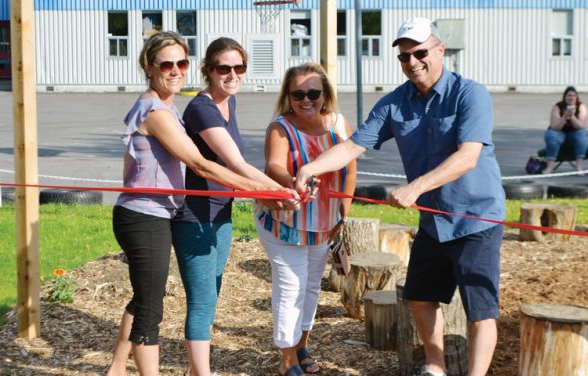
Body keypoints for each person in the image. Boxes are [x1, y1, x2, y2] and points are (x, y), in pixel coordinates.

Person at [294, 18, 505, 376]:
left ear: (440, 50)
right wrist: (310, 169)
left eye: (420, 52)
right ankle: (435, 366)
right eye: (404, 56)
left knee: (479, 311)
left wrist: (416, 187)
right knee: (421, 297)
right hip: (434, 220)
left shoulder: (470, 93)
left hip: (476, 218)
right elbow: (352, 146)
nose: (412, 62)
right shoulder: (395, 103)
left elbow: (468, 156)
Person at [106, 32, 290, 376]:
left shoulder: (167, 106)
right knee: (151, 307)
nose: (176, 70)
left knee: (146, 295)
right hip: (144, 215)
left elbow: (133, 163)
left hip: (157, 212)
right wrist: (265, 191)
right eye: (167, 64)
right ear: (148, 67)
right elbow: (201, 165)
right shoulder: (157, 111)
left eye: (181, 63)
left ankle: (116, 368)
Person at [170, 37, 299, 376]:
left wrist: (281, 189)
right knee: (202, 302)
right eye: (223, 68)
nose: (232, 74)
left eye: (238, 67)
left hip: (220, 213)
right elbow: (236, 164)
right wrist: (278, 191)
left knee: (212, 288)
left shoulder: (229, 103)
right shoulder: (201, 108)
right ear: (208, 71)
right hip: (193, 218)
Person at [254, 62, 357, 376]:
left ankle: (301, 344)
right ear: (288, 95)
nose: (306, 99)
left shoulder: (339, 124)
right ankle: (287, 359)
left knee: (311, 285)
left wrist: (344, 212)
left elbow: (350, 168)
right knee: (291, 287)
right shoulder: (280, 127)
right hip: (285, 221)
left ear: (325, 94)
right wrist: (292, 180)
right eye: (297, 93)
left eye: (313, 92)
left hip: (324, 221)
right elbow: (274, 166)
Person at [542, 86, 588, 174]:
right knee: (551, 134)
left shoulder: (581, 106)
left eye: (574, 96)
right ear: (564, 97)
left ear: (577, 97)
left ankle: (579, 167)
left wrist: (572, 116)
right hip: (559, 134)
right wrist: (564, 116)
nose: (571, 98)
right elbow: (554, 127)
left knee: (582, 134)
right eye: (569, 95)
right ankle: (550, 167)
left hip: (574, 135)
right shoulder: (558, 106)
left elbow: (581, 126)